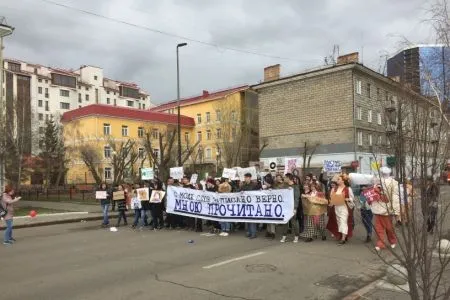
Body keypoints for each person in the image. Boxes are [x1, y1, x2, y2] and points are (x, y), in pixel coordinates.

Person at [326, 174, 354, 245]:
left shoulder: (348, 189)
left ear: (343, 181)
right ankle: (343, 235)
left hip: (344, 207)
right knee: (338, 222)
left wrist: (347, 199)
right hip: (336, 207)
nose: (337, 180)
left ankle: (343, 239)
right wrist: (331, 203)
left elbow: (352, 198)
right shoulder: (334, 189)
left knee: (343, 221)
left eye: (339, 179)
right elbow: (332, 198)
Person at [280, 173, 300, 243]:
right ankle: (284, 236)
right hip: (285, 207)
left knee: (294, 222)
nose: (284, 179)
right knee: (285, 221)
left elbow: (297, 198)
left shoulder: (296, 186)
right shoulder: (284, 186)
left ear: (289, 178)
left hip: (292, 207)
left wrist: (295, 208)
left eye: (285, 177)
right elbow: (278, 192)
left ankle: (296, 236)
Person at [241, 173, 258, 239]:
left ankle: (253, 233)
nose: (245, 179)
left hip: (253, 205)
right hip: (246, 205)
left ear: (249, 178)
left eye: (246, 177)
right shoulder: (243, 185)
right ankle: (249, 232)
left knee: (252, 220)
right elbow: (238, 192)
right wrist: (241, 192)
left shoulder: (254, 185)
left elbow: (258, 193)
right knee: (247, 219)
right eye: (245, 177)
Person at [263, 174, 276, 239]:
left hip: (272, 206)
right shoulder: (266, 188)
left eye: (265, 182)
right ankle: (268, 231)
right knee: (267, 220)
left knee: (271, 220)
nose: (264, 183)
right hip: (266, 206)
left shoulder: (273, 188)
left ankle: (272, 233)